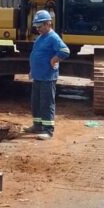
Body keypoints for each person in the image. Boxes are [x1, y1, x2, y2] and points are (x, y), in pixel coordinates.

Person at [22, 9, 69, 139]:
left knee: (46, 103)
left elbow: (65, 51)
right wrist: (32, 70)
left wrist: (55, 59)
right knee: (36, 102)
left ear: (48, 24)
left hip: (48, 77)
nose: (38, 28)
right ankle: (37, 125)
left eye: (40, 25)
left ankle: (48, 130)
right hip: (38, 76)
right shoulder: (41, 38)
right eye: (36, 26)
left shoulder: (53, 37)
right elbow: (36, 55)